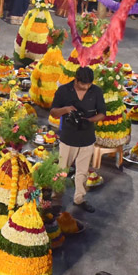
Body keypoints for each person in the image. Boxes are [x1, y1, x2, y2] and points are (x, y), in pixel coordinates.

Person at [51, 66, 106, 213]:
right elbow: (54, 112)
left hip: (87, 138)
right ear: (76, 80)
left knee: (82, 172)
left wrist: (89, 120)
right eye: (83, 85)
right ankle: (56, 199)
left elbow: (102, 113)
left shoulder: (96, 91)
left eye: (89, 85)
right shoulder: (63, 91)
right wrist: (67, 109)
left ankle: (80, 198)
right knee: (62, 170)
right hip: (68, 138)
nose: (86, 87)